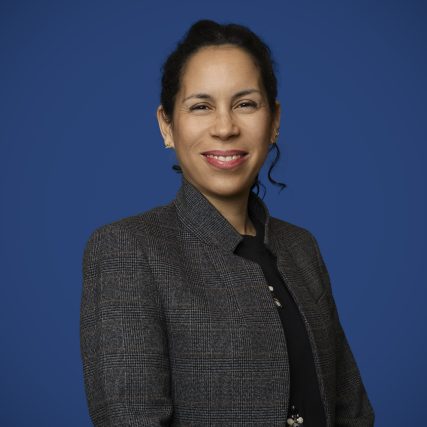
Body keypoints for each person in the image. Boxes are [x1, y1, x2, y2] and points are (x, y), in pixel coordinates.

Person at [80, 19, 375, 426]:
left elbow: (352, 413)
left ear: (274, 121)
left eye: (245, 104)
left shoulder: (301, 248)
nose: (225, 128)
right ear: (167, 125)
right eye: (201, 106)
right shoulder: (128, 249)